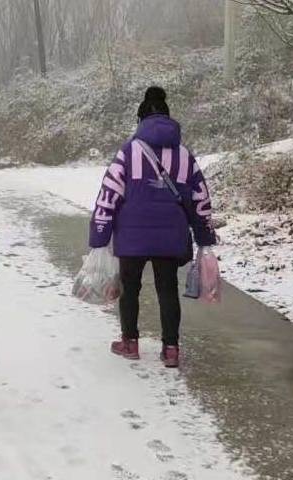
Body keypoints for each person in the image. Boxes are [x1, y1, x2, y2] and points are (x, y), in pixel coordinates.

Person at [89, 86, 216, 368]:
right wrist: (205, 236)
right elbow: (200, 199)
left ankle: (130, 343)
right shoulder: (185, 155)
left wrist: (100, 235)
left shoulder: (128, 152)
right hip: (170, 238)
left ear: (141, 120)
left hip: (131, 237)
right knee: (167, 290)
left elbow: (108, 194)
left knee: (129, 288)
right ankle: (171, 350)